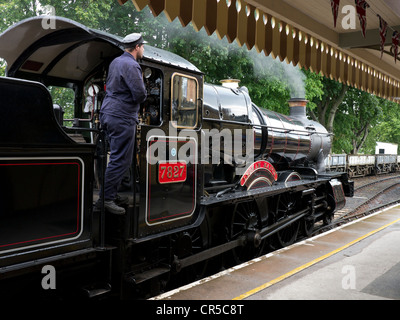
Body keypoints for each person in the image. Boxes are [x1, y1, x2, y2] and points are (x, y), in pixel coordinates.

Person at [98, 33, 147, 215]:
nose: (143, 49)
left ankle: (110, 194)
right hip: (122, 116)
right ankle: (106, 199)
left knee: (114, 158)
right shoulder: (132, 65)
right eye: (142, 46)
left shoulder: (116, 62)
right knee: (120, 159)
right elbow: (140, 95)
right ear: (136, 47)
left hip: (108, 113)